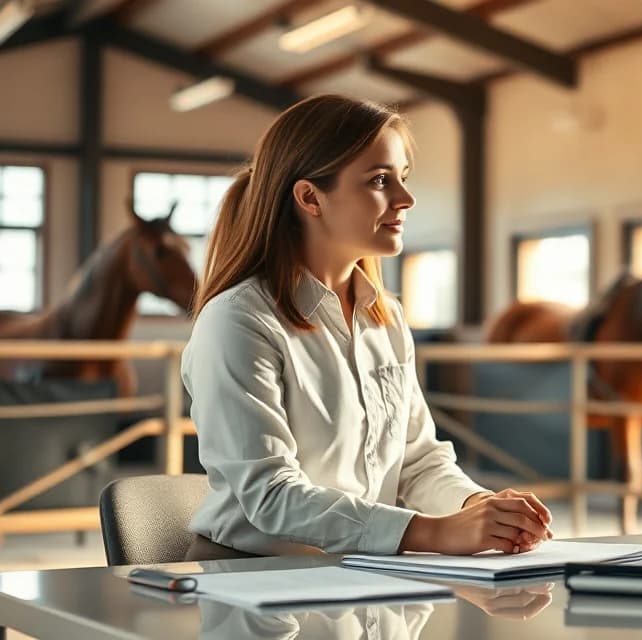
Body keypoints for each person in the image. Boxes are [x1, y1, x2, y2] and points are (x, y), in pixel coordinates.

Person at [183, 94, 552, 560]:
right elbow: (270, 494)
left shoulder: (387, 317)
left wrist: (478, 507)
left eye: (403, 177)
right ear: (309, 197)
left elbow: (416, 460)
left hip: (360, 573)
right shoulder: (237, 320)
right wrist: (435, 534)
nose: (406, 199)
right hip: (254, 584)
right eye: (380, 180)